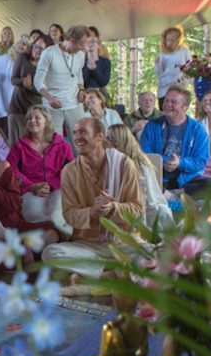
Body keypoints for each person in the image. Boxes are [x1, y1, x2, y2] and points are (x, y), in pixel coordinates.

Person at [42, 117, 143, 291]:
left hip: (123, 242)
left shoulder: (125, 165)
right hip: (88, 246)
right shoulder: (70, 171)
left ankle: (91, 276)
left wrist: (113, 208)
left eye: (83, 132)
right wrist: (92, 212)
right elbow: (69, 215)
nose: (77, 138)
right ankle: (112, 274)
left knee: (157, 255)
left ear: (99, 137)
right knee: (50, 253)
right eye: (75, 133)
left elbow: (137, 210)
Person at [6, 105, 75, 237]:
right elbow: (11, 169)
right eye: (29, 118)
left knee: (55, 214)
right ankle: (55, 236)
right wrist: (31, 186)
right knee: (35, 215)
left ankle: (58, 235)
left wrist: (51, 185)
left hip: (57, 188)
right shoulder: (19, 147)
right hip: (30, 190)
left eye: (37, 117)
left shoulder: (62, 145)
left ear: (46, 121)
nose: (32, 120)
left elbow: (69, 170)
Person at [139, 83, 210, 192]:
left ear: (185, 107)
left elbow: (201, 161)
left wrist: (180, 163)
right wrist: (165, 161)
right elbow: (144, 153)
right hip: (157, 177)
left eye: (173, 102)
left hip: (186, 180)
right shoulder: (151, 126)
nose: (168, 104)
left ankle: (178, 192)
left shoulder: (198, 130)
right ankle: (167, 194)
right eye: (166, 101)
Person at [106, 124, 172, 228]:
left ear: (119, 141)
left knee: (162, 213)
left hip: (141, 208)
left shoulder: (141, 165)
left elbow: (149, 199)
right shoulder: (108, 160)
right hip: (118, 207)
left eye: (110, 139)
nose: (106, 142)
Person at [34, 24, 87, 147]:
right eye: (81, 44)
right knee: (55, 146)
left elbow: (78, 74)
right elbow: (37, 81)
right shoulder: (49, 53)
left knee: (81, 144)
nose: (84, 48)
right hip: (53, 106)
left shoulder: (81, 55)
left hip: (74, 104)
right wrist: (49, 98)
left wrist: (81, 90)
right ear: (72, 41)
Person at [8, 34, 50, 144]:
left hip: (35, 111)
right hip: (16, 107)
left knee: (31, 144)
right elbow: (13, 79)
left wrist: (31, 87)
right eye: (36, 46)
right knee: (15, 144)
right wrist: (22, 81)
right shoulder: (22, 58)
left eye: (41, 48)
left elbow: (48, 91)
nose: (37, 50)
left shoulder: (48, 67)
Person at [154, 25, 191, 109]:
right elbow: (158, 72)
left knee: (178, 110)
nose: (171, 41)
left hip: (179, 87)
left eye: (174, 38)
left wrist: (185, 81)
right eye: (169, 39)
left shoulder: (184, 50)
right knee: (165, 111)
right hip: (164, 88)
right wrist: (157, 64)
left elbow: (189, 68)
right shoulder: (162, 54)